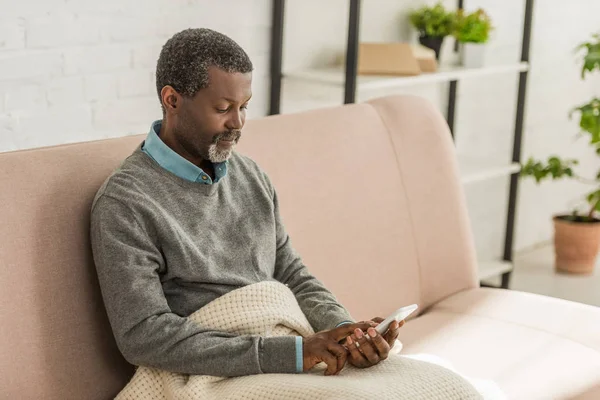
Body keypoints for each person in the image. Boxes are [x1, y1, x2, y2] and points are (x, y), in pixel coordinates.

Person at [90, 28, 404, 378]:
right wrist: (292, 354)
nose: (237, 123)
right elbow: (143, 335)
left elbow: (291, 274)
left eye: (244, 107)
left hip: (284, 347)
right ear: (172, 100)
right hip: (211, 375)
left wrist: (347, 332)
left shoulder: (249, 175)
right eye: (223, 108)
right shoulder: (126, 203)